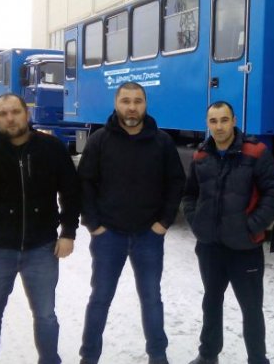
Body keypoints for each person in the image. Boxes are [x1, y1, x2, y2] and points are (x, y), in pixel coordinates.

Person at [0, 93, 80, 364]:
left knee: (46, 315)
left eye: (15, 112)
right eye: (3, 114)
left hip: (42, 249)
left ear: (26, 114)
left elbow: (71, 192)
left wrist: (68, 232)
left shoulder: (51, 148)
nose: (10, 118)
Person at [77, 82, 185, 364]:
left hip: (148, 236)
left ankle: (158, 355)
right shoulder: (99, 140)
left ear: (145, 104)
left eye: (138, 101)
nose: (132, 107)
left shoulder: (162, 142)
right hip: (108, 236)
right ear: (116, 104)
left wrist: (164, 222)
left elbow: (176, 183)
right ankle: (89, 356)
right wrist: (93, 224)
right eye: (126, 101)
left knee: (151, 298)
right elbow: (84, 183)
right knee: (100, 298)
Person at [182, 101, 274, 364]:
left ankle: (257, 359)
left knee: (251, 309)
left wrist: (252, 227)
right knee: (211, 302)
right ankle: (208, 355)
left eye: (224, 120)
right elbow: (190, 194)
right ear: (208, 124)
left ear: (234, 121)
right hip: (210, 248)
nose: (219, 126)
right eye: (213, 121)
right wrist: (197, 222)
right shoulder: (201, 156)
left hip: (245, 249)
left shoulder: (255, 152)